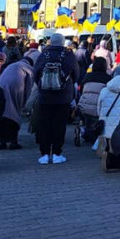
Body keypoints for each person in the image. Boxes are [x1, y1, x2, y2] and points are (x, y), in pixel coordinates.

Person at [33, 33, 79, 164]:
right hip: (63, 97)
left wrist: (43, 86)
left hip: (45, 96)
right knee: (60, 125)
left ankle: (45, 154)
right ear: (63, 42)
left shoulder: (44, 55)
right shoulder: (69, 56)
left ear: (50, 42)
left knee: (45, 124)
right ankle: (57, 153)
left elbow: (36, 73)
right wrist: (67, 85)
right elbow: (76, 74)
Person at [0, 52, 35, 149]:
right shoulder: (29, 69)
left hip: (1, 86)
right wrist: (25, 104)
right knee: (14, 114)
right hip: (16, 88)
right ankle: (12, 142)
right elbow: (29, 88)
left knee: (4, 112)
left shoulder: (12, 65)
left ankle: (3, 141)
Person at [97, 68, 120, 157]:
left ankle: (105, 153)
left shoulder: (104, 90)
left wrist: (101, 117)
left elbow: (99, 107)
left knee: (106, 139)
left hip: (105, 124)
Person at [78, 57, 111, 143]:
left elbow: (81, 90)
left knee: (88, 118)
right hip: (98, 108)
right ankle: (91, 133)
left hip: (84, 106)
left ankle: (84, 131)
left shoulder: (87, 76)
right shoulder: (108, 78)